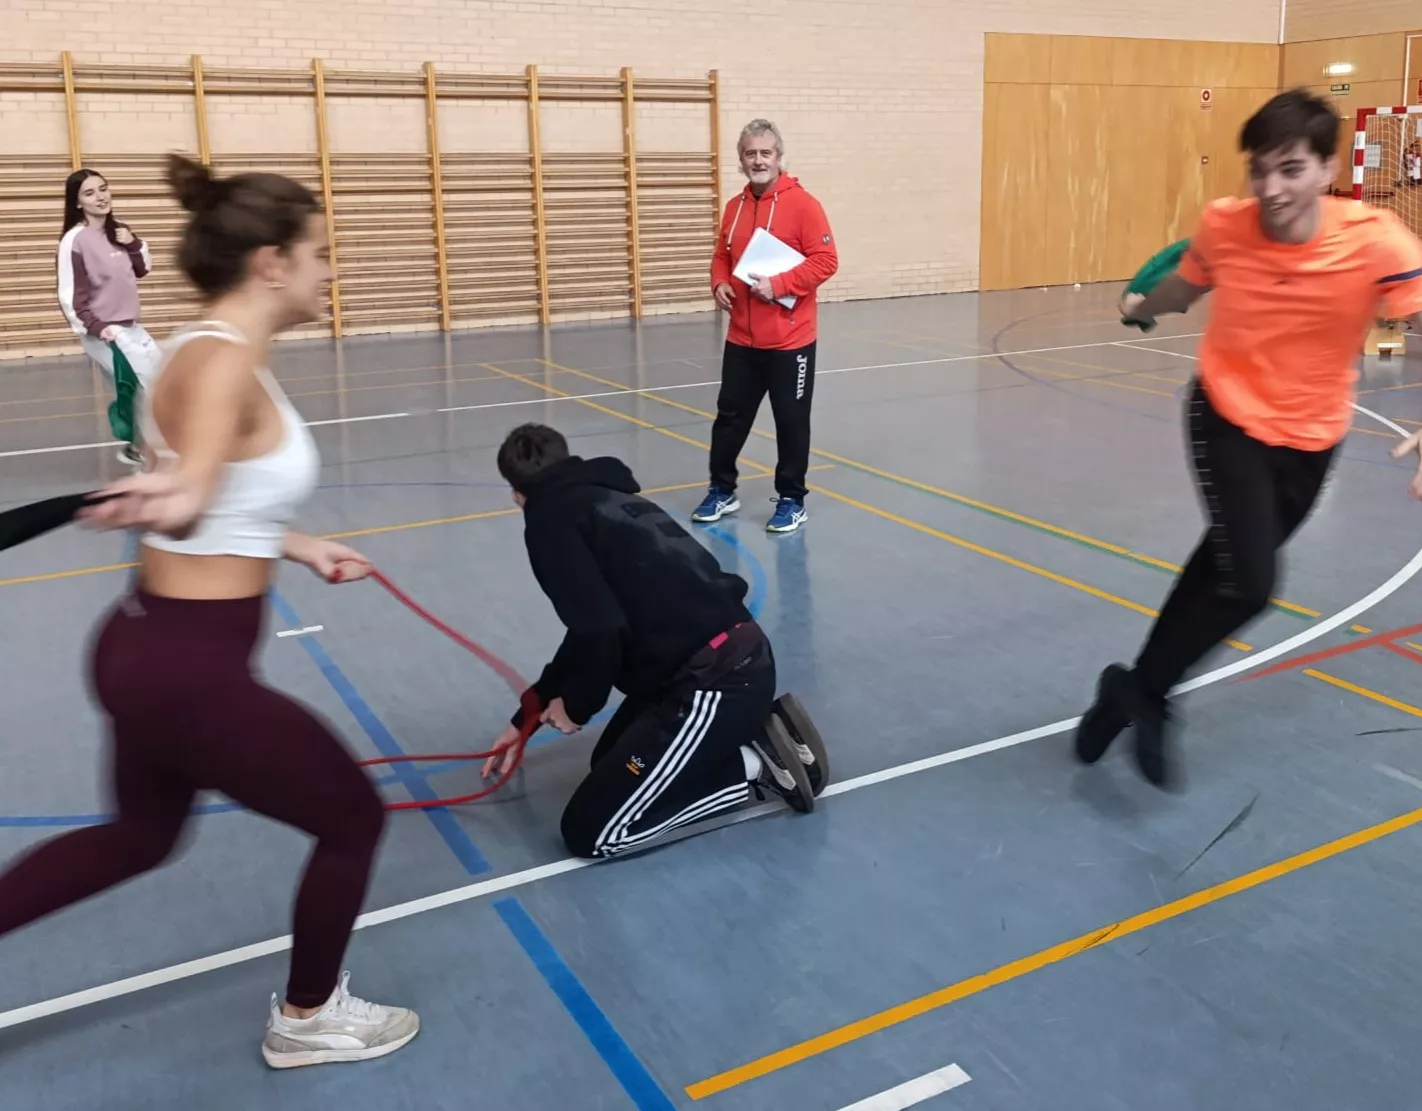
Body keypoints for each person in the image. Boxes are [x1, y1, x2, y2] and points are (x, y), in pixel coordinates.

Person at [1, 153, 419, 1069]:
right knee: (354, 819)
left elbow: (209, 501)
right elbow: (191, 492)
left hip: (146, 648)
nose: (328, 269)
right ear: (271, 262)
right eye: (319, 252)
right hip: (188, 676)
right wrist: (166, 495)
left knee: (141, 835)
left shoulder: (195, 350)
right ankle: (308, 1017)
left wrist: (298, 543)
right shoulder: (222, 362)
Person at [1073, 89, 1422, 788]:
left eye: (1290, 169)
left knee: (1219, 570)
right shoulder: (1227, 225)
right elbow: (1187, 286)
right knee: (1253, 582)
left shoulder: (1377, 238)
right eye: (1259, 170)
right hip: (1226, 413)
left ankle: (1135, 688)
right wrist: (1140, 305)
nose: (1271, 188)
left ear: (1327, 168)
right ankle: (1148, 694)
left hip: (1313, 437)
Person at [485, 423, 829, 858]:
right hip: (716, 661)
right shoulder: (607, 496)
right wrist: (527, 716)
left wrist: (576, 706)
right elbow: (591, 626)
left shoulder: (548, 523)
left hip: (716, 681)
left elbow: (600, 630)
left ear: (517, 492)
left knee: (594, 833)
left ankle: (756, 766)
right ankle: (744, 735)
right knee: (606, 765)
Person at [694, 119, 838, 533]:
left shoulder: (803, 205)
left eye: (765, 153)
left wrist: (779, 285)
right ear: (741, 159)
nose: (758, 160)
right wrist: (718, 281)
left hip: (790, 342)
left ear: (779, 158)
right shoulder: (735, 207)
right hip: (742, 337)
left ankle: (792, 499)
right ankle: (722, 490)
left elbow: (826, 261)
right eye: (750, 153)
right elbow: (722, 254)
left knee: (790, 422)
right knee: (730, 418)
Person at [56, 168, 161, 466]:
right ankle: (143, 451)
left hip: (132, 326)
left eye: (103, 189)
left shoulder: (119, 232)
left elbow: (142, 269)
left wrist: (132, 242)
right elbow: (69, 294)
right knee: (145, 388)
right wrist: (96, 327)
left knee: (160, 382)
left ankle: (137, 447)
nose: (100, 197)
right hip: (105, 332)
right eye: (89, 193)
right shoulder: (73, 241)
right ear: (78, 203)